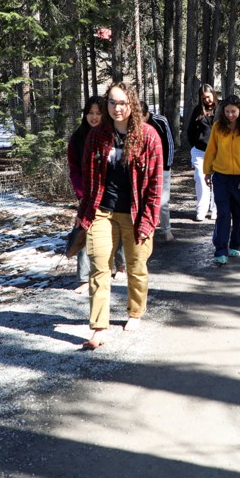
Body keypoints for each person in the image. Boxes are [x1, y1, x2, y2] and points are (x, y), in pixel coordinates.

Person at [77, 82, 163, 349]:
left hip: (136, 214)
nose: (117, 108)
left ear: (132, 104)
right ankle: (99, 327)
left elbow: (155, 185)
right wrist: (86, 206)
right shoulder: (96, 136)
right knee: (99, 266)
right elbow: (86, 174)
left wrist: (149, 221)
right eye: (112, 103)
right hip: (102, 212)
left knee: (136, 269)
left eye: (122, 103)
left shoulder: (149, 136)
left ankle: (135, 312)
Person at [67, 96, 125, 295]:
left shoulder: (115, 134)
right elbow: (74, 169)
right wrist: (82, 194)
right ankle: (84, 278)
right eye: (90, 113)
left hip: (114, 193)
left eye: (98, 113)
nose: (94, 117)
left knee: (117, 229)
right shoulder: (77, 138)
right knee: (85, 229)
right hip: (90, 194)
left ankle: (121, 266)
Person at [203, 95, 240, 265]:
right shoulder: (217, 127)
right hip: (221, 176)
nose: (230, 115)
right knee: (223, 213)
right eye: (227, 111)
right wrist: (207, 171)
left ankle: (237, 243)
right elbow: (211, 150)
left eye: (233, 111)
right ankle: (220, 250)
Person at [141, 101, 176, 242]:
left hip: (162, 167)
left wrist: (167, 166)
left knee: (162, 201)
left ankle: (167, 230)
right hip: (143, 168)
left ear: (146, 114)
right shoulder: (132, 123)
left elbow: (169, 142)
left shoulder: (160, 121)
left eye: (141, 117)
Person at [187, 84, 218, 221]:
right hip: (200, 151)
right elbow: (190, 131)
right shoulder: (198, 111)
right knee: (200, 178)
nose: (207, 100)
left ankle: (216, 209)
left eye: (209, 97)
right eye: (204, 98)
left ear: (213, 94)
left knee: (217, 180)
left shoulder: (222, 109)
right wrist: (196, 143)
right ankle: (201, 209)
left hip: (219, 151)